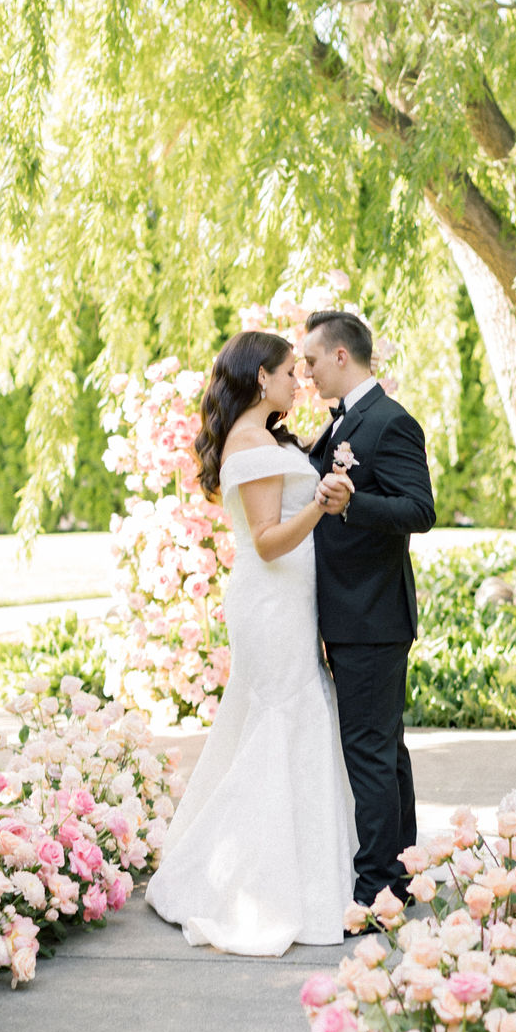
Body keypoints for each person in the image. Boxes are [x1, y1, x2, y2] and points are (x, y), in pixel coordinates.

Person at [146, 331, 357, 954]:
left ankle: (306, 871)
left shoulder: (263, 437)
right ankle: (255, 883)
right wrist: (321, 504)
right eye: (292, 372)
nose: (301, 382)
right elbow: (267, 539)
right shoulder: (250, 441)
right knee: (282, 719)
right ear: (261, 378)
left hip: (285, 599)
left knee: (290, 715)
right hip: (271, 601)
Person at [304, 310, 436, 909]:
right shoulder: (341, 424)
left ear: (339, 355)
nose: (306, 372)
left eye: (310, 361)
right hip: (355, 613)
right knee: (385, 749)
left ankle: (376, 885)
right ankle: (400, 872)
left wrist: (354, 503)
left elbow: (418, 510)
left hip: (372, 616)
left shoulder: (389, 422)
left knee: (370, 752)